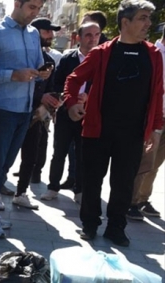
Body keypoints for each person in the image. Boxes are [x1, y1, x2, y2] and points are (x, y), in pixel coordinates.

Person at [64, 0, 163, 247]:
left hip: (133, 133)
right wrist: (72, 104)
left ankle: (116, 227)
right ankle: (89, 224)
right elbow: (74, 79)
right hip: (98, 129)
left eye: (149, 19)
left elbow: (158, 92)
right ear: (125, 22)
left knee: (123, 183)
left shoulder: (153, 55)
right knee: (92, 180)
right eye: (142, 18)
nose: (148, 24)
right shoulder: (101, 52)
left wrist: (155, 128)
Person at [0, 0, 48, 239]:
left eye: (38, 8)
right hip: (1, 109)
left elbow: (36, 66)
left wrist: (43, 72)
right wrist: (12, 75)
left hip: (24, 109)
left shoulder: (33, 33)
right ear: (17, 3)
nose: (35, 13)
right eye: (32, 7)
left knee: (5, 165)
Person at [41, 22, 101, 204]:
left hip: (89, 115)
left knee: (84, 153)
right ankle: (52, 187)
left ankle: (80, 190)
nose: (92, 39)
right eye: (88, 35)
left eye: (96, 35)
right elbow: (57, 83)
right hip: (67, 112)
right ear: (79, 37)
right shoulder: (68, 59)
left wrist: (89, 96)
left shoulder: (103, 60)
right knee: (59, 151)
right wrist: (70, 98)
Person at [12, 17, 61, 210]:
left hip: (36, 118)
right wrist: (40, 96)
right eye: (47, 31)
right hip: (13, 112)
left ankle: (21, 192)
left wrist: (51, 99)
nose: (51, 35)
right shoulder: (22, 56)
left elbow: (52, 86)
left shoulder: (49, 60)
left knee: (31, 155)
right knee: (4, 156)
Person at [128, 30, 165, 221]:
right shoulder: (152, 53)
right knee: (145, 161)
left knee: (156, 163)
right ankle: (131, 202)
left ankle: (143, 198)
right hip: (154, 116)